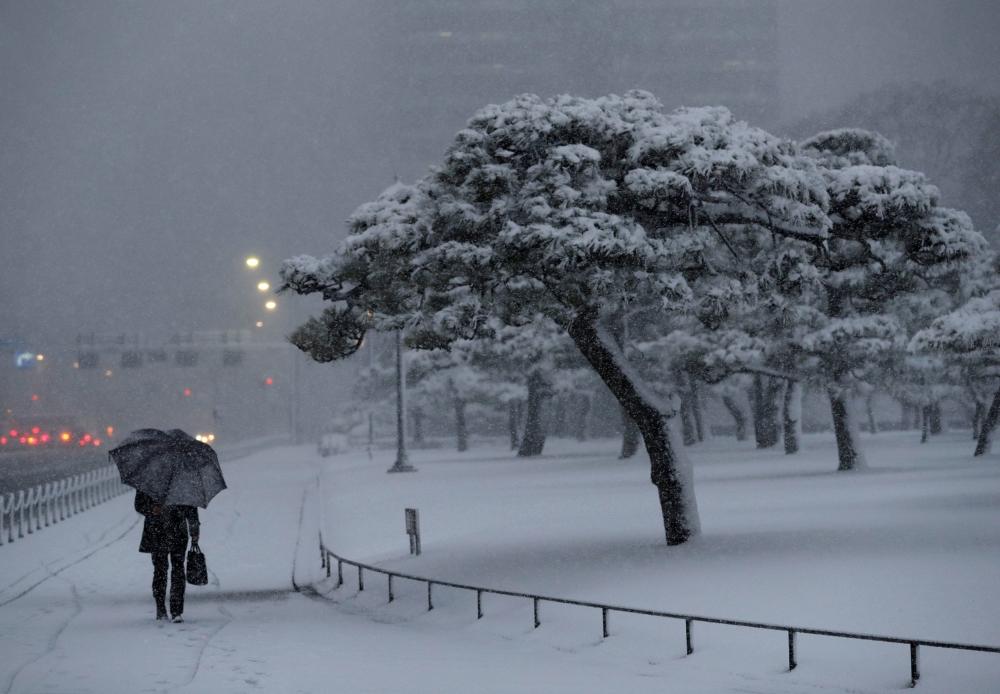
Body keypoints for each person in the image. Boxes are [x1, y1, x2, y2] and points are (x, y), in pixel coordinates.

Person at [134, 491, 200, 622]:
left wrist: (194, 529)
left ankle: (176, 610)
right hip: (157, 532)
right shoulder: (152, 480)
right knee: (160, 570)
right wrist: (152, 509)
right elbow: (139, 504)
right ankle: (161, 607)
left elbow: (191, 506)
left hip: (177, 531)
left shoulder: (178, 480)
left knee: (177, 570)